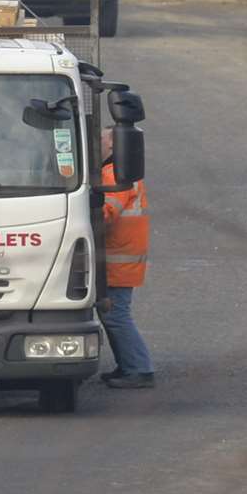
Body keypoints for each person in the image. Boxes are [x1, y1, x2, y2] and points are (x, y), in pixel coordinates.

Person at [99, 130, 155, 388]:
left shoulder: (115, 175)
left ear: (114, 145)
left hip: (117, 260)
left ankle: (139, 369)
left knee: (116, 315)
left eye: (101, 138)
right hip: (119, 258)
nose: (95, 142)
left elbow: (106, 214)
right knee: (114, 314)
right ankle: (129, 366)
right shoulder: (119, 172)